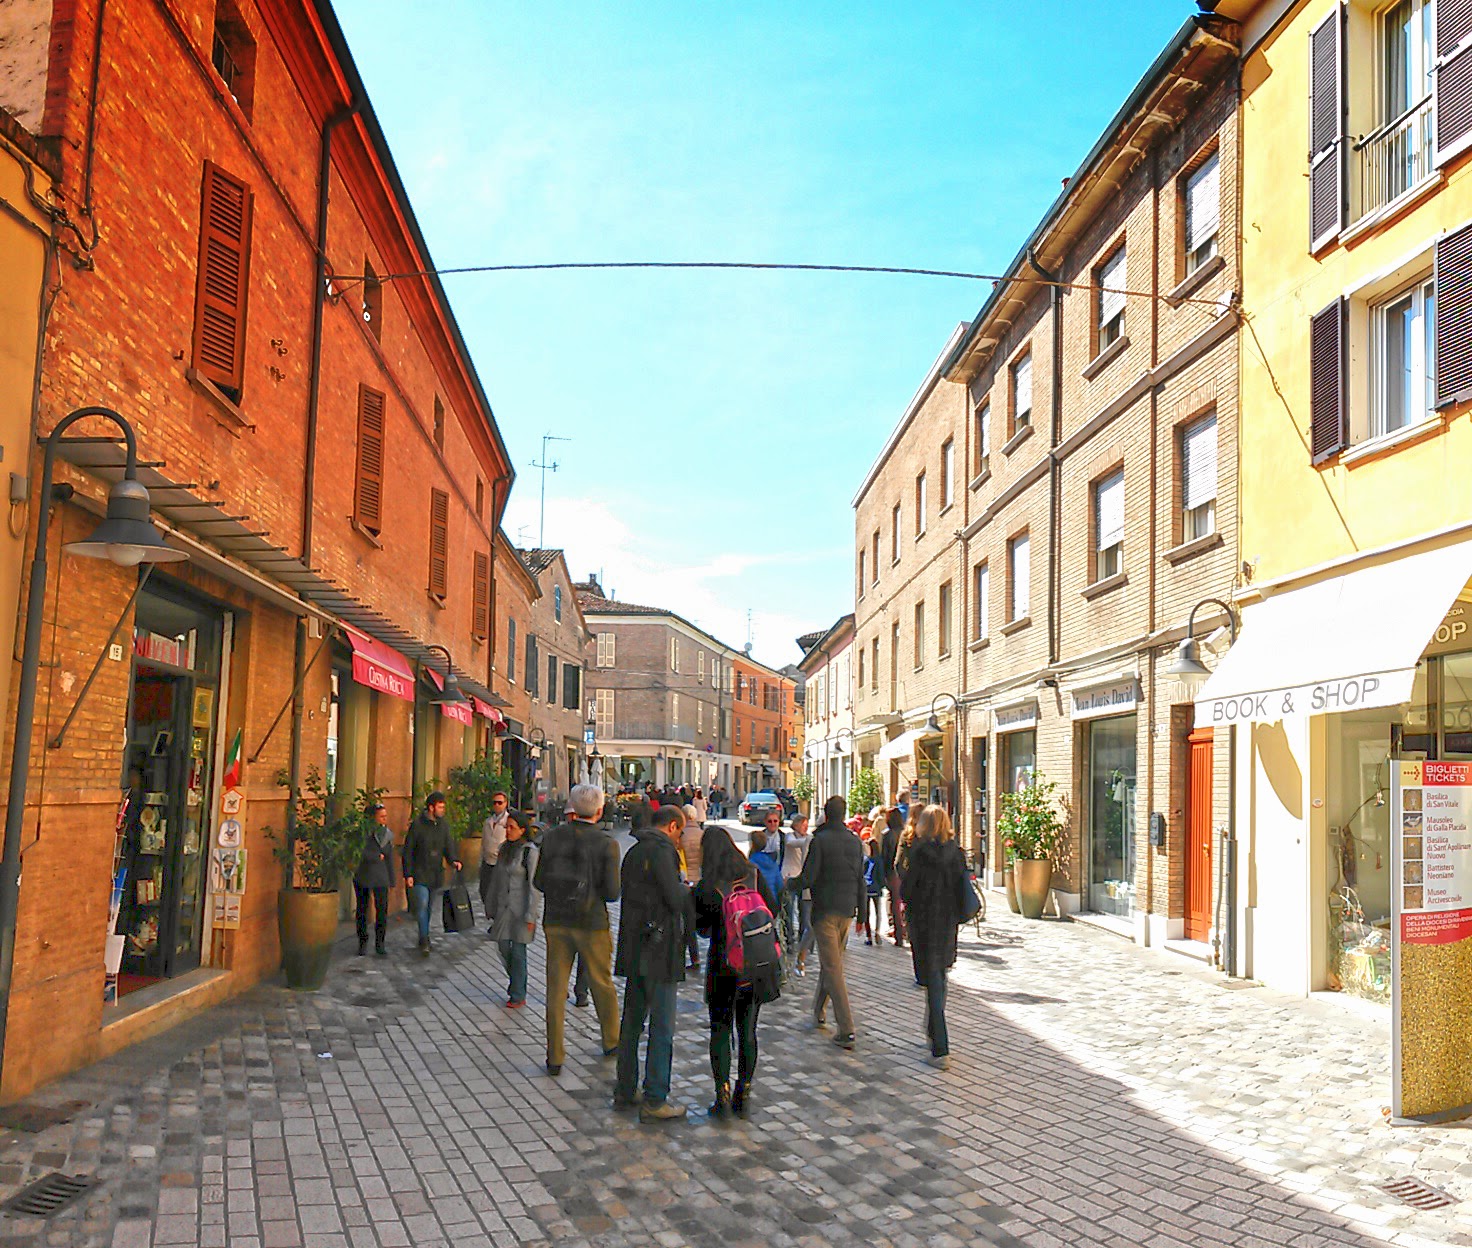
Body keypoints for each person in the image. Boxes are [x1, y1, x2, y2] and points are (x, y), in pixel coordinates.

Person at [613, 806, 695, 1122]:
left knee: (632, 1022)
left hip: (634, 946)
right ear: (672, 826)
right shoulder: (663, 852)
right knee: (662, 1026)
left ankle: (625, 1088)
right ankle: (655, 1098)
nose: (680, 839)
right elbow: (673, 899)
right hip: (659, 950)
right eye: (680, 832)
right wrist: (686, 890)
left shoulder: (634, 851)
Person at [533, 784, 622, 1077]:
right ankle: (611, 1040)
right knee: (601, 983)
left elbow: (539, 882)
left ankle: (555, 1055)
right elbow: (612, 893)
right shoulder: (607, 844)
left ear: (571, 807)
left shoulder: (552, 837)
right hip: (591, 922)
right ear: (599, 810)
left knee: (556, 988)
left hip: (556, 920)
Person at [693, 830, 779, 1119]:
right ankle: (744, 1092)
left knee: (720, 1029)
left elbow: (701, 928)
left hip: (722, 965)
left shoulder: (708, 885)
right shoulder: (752, 873)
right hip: (754, 964)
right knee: (748, 1030)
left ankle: (722, 1095)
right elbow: (773, 908)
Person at [796, 794, 865, 1050]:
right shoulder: (854, 841)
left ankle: (846, 1029)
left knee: (833, 968)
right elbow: (860, 878)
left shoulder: (820, 840)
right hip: (847, 909)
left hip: (825, 909)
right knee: (831, 963)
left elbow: (809, 877)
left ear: (826, 814)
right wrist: (863, 915)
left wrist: (789, 885)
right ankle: (818, 1012)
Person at [900, 805, 967, 1070]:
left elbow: (907, 891)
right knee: (940, 976)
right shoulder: (956, 854)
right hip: (947, 924)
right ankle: (932, 1030)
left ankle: (940, 1048)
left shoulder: (919, 854)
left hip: (925, 924)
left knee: (933, 983)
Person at [487, 810, 539, 1007]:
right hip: (503, 908)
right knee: (502, 945)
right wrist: (490, 904)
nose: (507, 831)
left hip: (521, 910)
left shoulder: (529, 852)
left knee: (518, 951)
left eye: (511, 828)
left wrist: (531, 915)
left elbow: (534, 887)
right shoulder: (504, 850)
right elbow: (496, 879)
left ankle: (518, 993)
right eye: (506, 827)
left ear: (522, 830)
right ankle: (516, 980)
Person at [402, 791, 462, 956]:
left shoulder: (443, 826)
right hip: (419, 872)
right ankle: (424, 938)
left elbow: (448, 846)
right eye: (440, 807)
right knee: (422, 903)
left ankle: (424, 932)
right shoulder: (417, 825)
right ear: (431, 807)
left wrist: (453, 860)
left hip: (435, 874)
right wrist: (408, 874)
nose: (443, 810)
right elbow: (408, 851)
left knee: (428, 908)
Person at [354, 802, 395, 957]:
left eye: (385, 816)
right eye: (381, 816)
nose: (385, 819)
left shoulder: (387, 834)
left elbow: (389, 857)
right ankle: (362, 941)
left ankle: (380, 943)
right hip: (363, 875)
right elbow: (358, 852)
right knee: (362, 909)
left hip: (381, 876)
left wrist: (392, 879)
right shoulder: (362, 833)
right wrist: (376, 856)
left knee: (382, 910)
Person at [480, 789, 511, 933]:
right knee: (484, 891)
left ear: (505, 803)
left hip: (500, 862)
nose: (497, 805)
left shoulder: (508, 821)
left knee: (498, 893)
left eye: (500, 802)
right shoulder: (488, 822)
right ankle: (495, 918)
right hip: (487, 861)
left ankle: (498, 922)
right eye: (494, 803)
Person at [881, 807, 907, 946]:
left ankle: (898, 934)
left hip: (892, 873)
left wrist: (884, 875)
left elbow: (885, 856)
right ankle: (906, 929)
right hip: (905, 871)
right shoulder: (906, 833)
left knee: (894, 902)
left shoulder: (887, 835)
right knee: (905, 901)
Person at [747, 829, 783, 901]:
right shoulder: (773, 863)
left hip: (756, 901)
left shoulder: (750, 864)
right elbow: (780, 885)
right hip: (772, 900)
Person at [862, 839, 884, 945]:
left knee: (866, 913)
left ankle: (868, 936)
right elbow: (881, 875)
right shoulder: (879, 860)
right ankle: (877, 932)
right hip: (876, 888)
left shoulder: (866, 860)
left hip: (866, 888)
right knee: (878, 912)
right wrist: (881, 886)